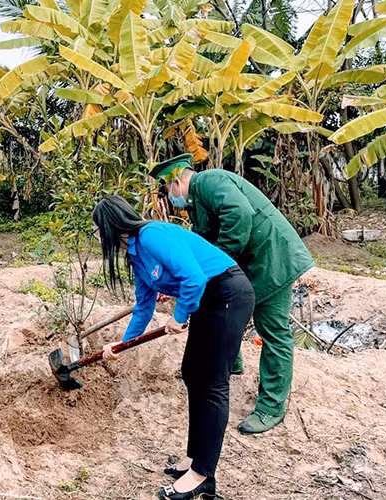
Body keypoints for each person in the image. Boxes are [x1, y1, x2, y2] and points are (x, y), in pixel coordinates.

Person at [94, 196, 255, 500]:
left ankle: (202, 475)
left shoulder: (151, 235)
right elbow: (143, 306)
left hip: (227, 293)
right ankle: (194, 459)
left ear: (110, 224)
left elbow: (193, 277)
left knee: (213, 384)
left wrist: (179, 317)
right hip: (208, 299)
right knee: (193, 373)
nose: (99, 238)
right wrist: (122, 343)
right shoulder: (135, 255)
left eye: (98, 230)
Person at [153, 153, 314, 434]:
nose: (170, 199)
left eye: (167, 191)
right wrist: (176, 283)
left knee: (273, 330)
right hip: (250, 264)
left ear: (176, 181)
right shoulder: (197, 204)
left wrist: (218, 263)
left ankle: (271, 407)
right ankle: (231, 362)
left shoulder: (211, 182)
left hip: (272, 259)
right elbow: (200, 249)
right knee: (220, 304)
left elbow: (239, 216)